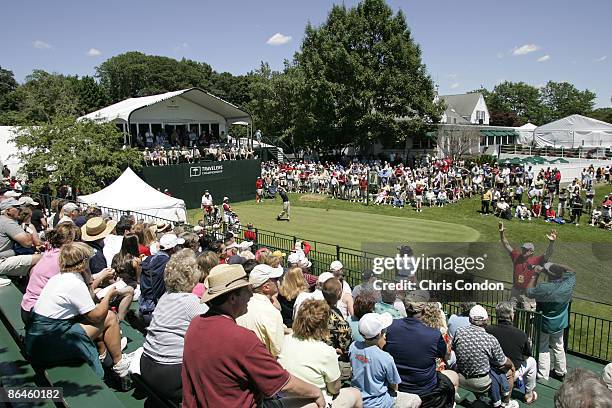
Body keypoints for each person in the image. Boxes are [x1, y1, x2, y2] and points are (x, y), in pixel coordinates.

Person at [182, 264, 326, 408]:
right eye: (246, 290)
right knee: (323, 400)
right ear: (232, 298)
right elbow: (283, 383)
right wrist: (316, 391)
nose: (251, 295)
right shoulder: (242, 338)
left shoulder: (195, 324)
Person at [25, 243, 133, 381]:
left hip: (39, 338)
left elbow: (86, 303)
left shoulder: (59, 277)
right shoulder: (74, 283)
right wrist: (108, 296)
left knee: (94, 318)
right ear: (84, 263)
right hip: (50, 343)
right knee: (110, 317)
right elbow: (97, 316)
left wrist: (89, 281)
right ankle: (120, 365)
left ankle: (104, 354)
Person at [140, 249, 207, 404]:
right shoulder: (191, 302)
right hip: (169, 373)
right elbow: (218, 327)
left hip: (147, 365)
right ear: (192, 275)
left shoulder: (165, 296)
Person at [279, 299, 363, 407]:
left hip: (285, 400)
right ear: (323, 325)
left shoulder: (285, 340)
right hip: (316, 402)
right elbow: (335, 389)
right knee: (356, 394)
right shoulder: (326, 351)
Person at [384, 290, 458, 408]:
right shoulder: (433, 334)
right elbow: (445, 355)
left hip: (397, 385)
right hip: (425, 390)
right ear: (424, 310)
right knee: (453, 376)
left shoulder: (391, 326)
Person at [452, 305, 518, 408]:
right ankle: (505, 402)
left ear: (470, 319)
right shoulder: (490, 339)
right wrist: (512, 365)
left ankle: (481, 398)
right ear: (487, 320)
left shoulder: (459, 332)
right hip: (481, 383)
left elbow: (454, 349)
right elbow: (503, 362)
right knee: (509, 371)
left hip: (461, 378)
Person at [350, 313, 421, 408]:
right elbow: (394, 386)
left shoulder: (353, 347)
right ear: (379, 334)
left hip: (358, 399)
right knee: (416, 399)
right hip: (380, 403)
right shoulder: (385, 357)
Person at [20, 223, 79, 324]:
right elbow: (78, 291)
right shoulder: (63, 259)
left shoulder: (49, 252)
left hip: (27, 307)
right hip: (39, 315)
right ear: (71, 241)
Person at [525, 262, 576, 381]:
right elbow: (573, 272)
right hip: (560, 322)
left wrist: (535, 275)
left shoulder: (544, 288)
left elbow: (529, 292)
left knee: (543, 348)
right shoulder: (567, 284)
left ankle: (543, 375)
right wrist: (558, 266)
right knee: (559, 346)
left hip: (544, 323)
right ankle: (560, 371)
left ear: (549, 275)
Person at [486, 302, 538, 404]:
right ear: (511, 316)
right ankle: (528, 394)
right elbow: (527, 356)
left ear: (497, 315)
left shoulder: (488, 330)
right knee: (532, 361)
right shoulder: (521, 334)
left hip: (490, 371)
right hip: (509, 373)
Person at [499, 221, 556, 311]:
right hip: (515, 291)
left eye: (526, 250)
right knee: (511, 314)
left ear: (531, 252)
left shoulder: (537, 260)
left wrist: (552, 242)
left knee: (529, 317)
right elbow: (506, 244)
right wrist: (501, 233)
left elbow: (548, 254)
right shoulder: (516, 257)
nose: (523, 251)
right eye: (523, 249)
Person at [236, 264, 286, 357]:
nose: (278, 282)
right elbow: (279, 350)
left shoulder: (242, 306)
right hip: (262, 363)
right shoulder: (271, 312)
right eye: (275, 279)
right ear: (266, 287)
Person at [139, 233, 184, 324]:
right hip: (158, 312)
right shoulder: (169, 265)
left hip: (144, 306)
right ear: (173, 249)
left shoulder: (149, 259)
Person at [0, 198, 42, 277]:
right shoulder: (7, 222)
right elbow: (28, 243)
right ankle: (35, 287)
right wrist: (27, 224)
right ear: (8, 211)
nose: (20, 210)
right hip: (2, 262)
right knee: (41, 257)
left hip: (5, 258)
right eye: (17, 208)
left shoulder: (3, 220)